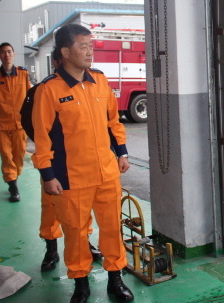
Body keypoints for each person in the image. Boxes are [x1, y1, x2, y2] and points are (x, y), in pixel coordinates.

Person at [32, 24, 133, 303]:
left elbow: (113, 121)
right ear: (65, 52)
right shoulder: (49, 90)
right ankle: (80, 283)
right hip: (72, 177)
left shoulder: (99, 80)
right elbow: (42, 137)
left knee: (112, 228)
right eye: (83, 46)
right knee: (75, 234)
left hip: (107, 173)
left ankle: (116, 279)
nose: (90, 52)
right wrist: (48, 174)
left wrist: (122, 153)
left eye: (91, 46)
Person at [20, 48, 102, 272]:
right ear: (57, 62)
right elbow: (28, 122)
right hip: (52, 162)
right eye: (57, 62)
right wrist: (49, 151)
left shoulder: (85, 85)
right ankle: (51, 248)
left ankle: (85, 243)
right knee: (50, 207)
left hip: (76, 165)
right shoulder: (42, 90)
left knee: (81, 209)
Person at [0, 42, 31, 202]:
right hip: (2, 124)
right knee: (6, 155)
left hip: (20, 124)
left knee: (19, 155)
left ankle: (14, 178)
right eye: (3, 52)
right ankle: (13, 186)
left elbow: (30, 98)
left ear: (13, 54)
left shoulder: (23, 74)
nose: (6, 55)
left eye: (9, 51)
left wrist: (31, 119)